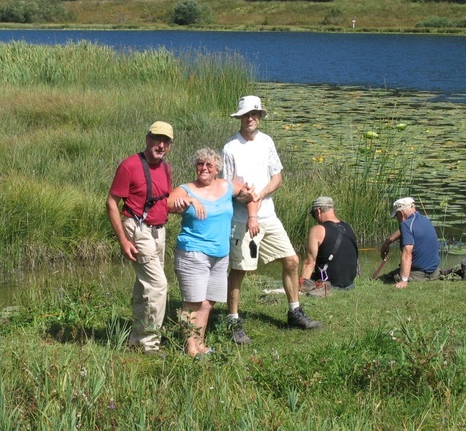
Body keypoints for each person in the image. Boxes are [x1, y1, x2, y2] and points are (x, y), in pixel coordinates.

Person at [222, 95, 323, 345]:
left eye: (255, 114)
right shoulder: (230, 148)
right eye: (246, 114)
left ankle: (294, 312)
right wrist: (246, 198)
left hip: (269, 215)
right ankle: (233, 320)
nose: (251, 118)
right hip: (242, 218)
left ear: (260, 117)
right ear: (240, 117)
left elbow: (277, 176)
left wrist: (262, 193)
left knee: (291, 260)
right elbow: (227, 186)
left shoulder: (267, 141)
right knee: (239, 270)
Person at [168, 148, 253, 357]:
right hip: (193, 253)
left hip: (220, 254)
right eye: (199, 164)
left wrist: (251, 211)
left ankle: (200, 343)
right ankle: (190, 348)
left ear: (217, 169)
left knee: (208, 302)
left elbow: (250, 193)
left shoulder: (226, 186)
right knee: (192, 303)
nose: (203, 168)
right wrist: (191, 200)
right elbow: (169, 202)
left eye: (208, 165)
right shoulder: (186, 189)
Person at [105, 121, 174, 355]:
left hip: (159, 230)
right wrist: (124, 240)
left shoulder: (166, 168)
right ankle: (150, 343)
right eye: (157, 139)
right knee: (158, 285)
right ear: (147, 139)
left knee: (145, 285)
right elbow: (111, 203)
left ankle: (135, 338)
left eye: (166, 141)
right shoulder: (129, 166)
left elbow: (164, 200)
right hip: (137, 228)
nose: (161, 145)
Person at [300, 196, 359, 295]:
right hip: (350, 284)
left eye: (314, 215)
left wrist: (301, 286)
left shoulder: (317, 230)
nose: (315, 219)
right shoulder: (349, 228)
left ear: (318, 211)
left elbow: (309, 263)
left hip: (328, 285)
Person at [379, 197, 441, 289]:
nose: (397, 218)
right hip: (434, 272)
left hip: (418, 274)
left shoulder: (406, 225)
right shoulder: (425, 220)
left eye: (396, 216)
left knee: (380, 280)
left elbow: (407, 254)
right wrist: (387, 243)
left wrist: (404, 280)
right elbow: (405, 230)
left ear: (400, 213)